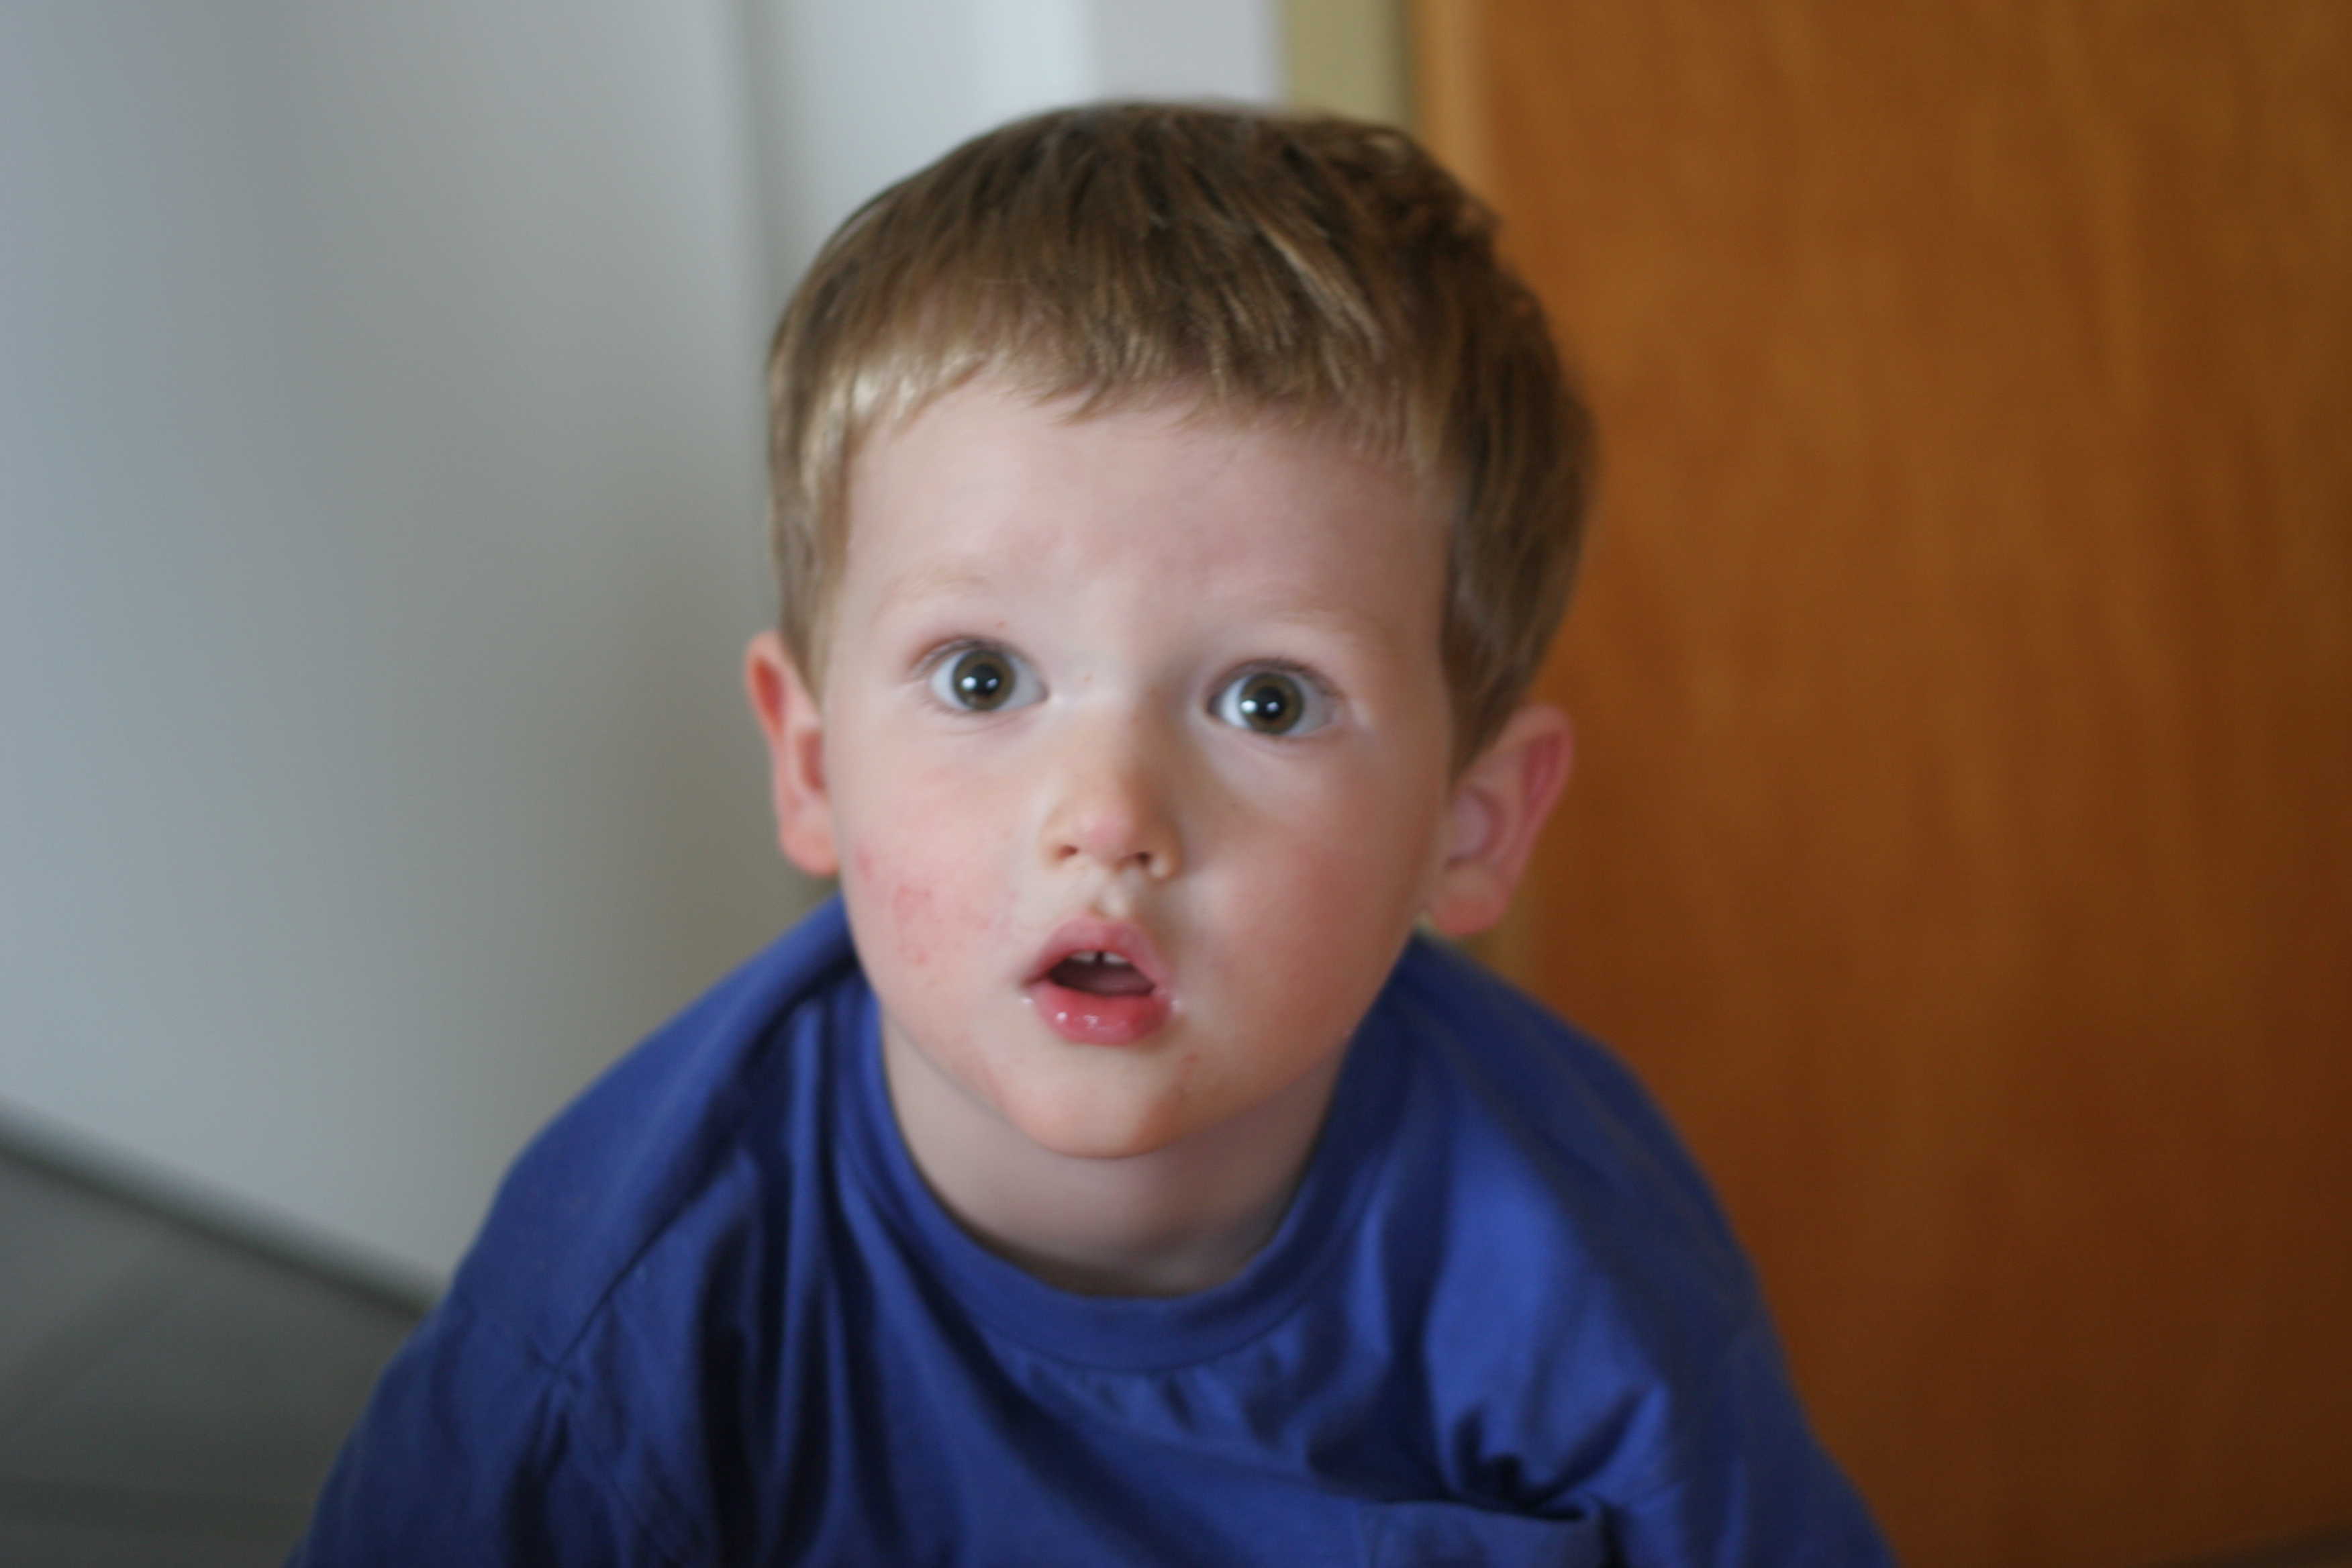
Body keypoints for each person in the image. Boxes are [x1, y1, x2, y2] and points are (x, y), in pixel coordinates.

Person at [290, 103, 1890, 1565]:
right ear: (814, 765)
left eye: (1268, 700)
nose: (1109, 819)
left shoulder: (1580, 1250)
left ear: (1467, 828)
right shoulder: (621, 1307)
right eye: (983, 678)